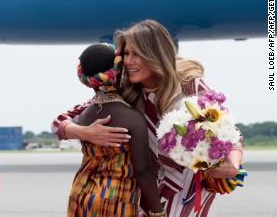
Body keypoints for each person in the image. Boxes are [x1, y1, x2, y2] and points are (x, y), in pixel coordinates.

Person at [52, 20, 243, 216]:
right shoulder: (124, 89)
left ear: (156, 54)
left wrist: (233, 165)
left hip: (188, 190)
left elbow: (230, 134)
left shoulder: (190, 84)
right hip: (147, 194)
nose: (129, 61)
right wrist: (85, 132)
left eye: (138, 54)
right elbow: (61, 121)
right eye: (126, 54)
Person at [68, 44, 165, 217]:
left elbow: (61, 124)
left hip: (81, 195)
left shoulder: (83, 115)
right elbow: (142, 171)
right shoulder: (132, 117)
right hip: (116, 201)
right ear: (119, 70)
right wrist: (158, 212)